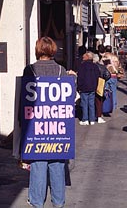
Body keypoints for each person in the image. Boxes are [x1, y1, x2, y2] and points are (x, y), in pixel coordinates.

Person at [22, 36, 73, 208]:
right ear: (52, 50)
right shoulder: (61, 70)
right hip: (57, 127)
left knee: (38, 165)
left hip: (36, 127)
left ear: (38, 50)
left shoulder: (29, 70)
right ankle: (58, 203)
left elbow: (24, 101)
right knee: (58, 165)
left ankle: (37, 203)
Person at [77, 51, 100, 125]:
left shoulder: (82, 66)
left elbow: (80, 77)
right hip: (93, 87)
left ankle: (85, 119)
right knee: (91, 103)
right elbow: (97, 76)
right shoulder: (95, 66)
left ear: (86, 57)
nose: (82, 58)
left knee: (84, 103)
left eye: (83, 57)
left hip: (84, 87)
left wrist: (79, 86)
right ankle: (92, 119)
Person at [102, 45, 124, 110]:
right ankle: (113, 106)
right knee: (113, 91)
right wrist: (120, 73)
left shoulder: (104, 56)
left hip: (105, 76)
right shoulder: (115, 57)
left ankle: (105, 105)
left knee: (105, 91)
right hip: (114, 75)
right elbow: (119, 66)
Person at [92, 53, 110, 123]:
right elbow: (108, 75)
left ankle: (91, 116)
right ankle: (99, 116)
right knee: (99, 101)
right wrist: (104, 80)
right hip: (100, 84)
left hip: (91, 84)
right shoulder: (102, 67)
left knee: (90, 100)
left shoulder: (90, 66)